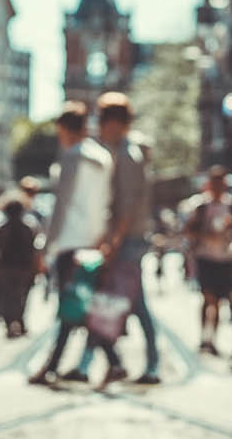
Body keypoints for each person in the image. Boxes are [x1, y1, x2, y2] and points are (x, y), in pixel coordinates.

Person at [65, 92, 163, 385]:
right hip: (123, 239)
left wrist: (114, 240)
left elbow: (128, 204)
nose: (102, 128)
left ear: (118, 124)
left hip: (128, 240)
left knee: (123, 303)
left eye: (106, 121)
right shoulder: (118, 151)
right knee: (118, 302)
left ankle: (144, 365)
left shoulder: (127, 155)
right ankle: (98, 364)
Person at [28, 101, 123, 387]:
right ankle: (101, 361)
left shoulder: (72, 157)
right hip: (93, 242)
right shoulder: (104, 156)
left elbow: (63, 203)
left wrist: (48, 243)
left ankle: (56, 365)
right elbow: (109, 200)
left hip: (70, 242)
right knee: (81, 306)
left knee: (72, 307)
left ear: (64, 129)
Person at [184, 166, 232, 360]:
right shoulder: (200, 207)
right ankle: (203, 337)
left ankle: (213, 339)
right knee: (207, 298)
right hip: (205, 257)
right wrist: (205, 234)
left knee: (219, 302)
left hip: (225, 258)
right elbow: (189, 231)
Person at [0, 199, 40, 339]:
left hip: (6, 268)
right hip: (24, 268)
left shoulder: (1, 229)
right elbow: (34, 250)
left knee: (7, 297)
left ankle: (10, 323)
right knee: (21, 296)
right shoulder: (28, 228)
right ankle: (19, 322)